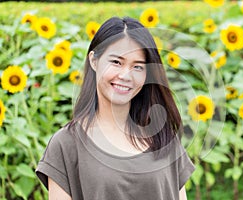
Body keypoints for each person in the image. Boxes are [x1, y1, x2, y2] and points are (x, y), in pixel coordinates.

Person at [36, 16, 195, 200]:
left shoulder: (162, 135)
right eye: (116, 62)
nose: (125, 76)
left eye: (137, 67)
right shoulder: (66, 144)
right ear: (94, 61)